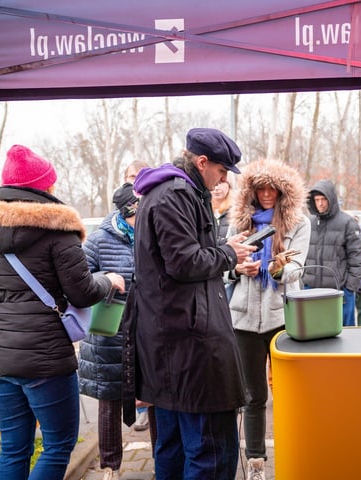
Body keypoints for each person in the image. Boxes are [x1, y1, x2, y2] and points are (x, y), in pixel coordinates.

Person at [0, 144, 125, 480]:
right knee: (58, 444)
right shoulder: (58, 230)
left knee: (14, 446)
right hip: (43, 359)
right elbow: (83, 294)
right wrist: (108, 280)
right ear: (44, 187)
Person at [121, 127, 255, 480]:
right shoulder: (176, 194)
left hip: (173, 348)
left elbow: (183, 256)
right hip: (189, 348)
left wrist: (226, 248)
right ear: (202, 162)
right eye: (222, 171)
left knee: (174, 447)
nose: (223, 179)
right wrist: (228, 254)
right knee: (207, 451)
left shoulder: (174, 192)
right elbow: (183, 263)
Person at [227, 159, 310, 480]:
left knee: (290, 394)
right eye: (259, 188)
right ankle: (257, 463)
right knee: (253, 396)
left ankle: (297, 452)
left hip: (283, 317)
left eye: (271, 188)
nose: (265, 194)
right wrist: (237, 267)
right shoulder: (240, 222)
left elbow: (298, 266)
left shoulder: (299, 223)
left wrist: (278, 269)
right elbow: (222, 262)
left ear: (282, 191)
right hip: (243, 320)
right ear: (250, 190)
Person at [77, 183, 140, 480]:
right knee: (109, 401)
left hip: (146, 331)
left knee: (156, 396)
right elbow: (80, 281)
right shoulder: (98, 240)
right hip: (109, 333)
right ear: (128, 211)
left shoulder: (154, 236)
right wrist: (106, 279)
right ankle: (110, 468)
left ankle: (164, 460)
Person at [304, 180, 361, 327]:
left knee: (344, 337)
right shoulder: (308, 223)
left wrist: (349, 288)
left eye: (324, 199)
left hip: (340, 292)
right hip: (311, 291)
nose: (320, 203)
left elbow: (357, 259)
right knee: (314, 335)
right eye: (317, 200)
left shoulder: (348, 223)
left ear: (331, 199)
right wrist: (304, 281)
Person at [213, 180, 236, 299]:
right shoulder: (204, 209)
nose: (217, 188)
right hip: (210, 267)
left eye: (221, 183)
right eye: (215, 184)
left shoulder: (236, 211)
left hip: (229, 273)